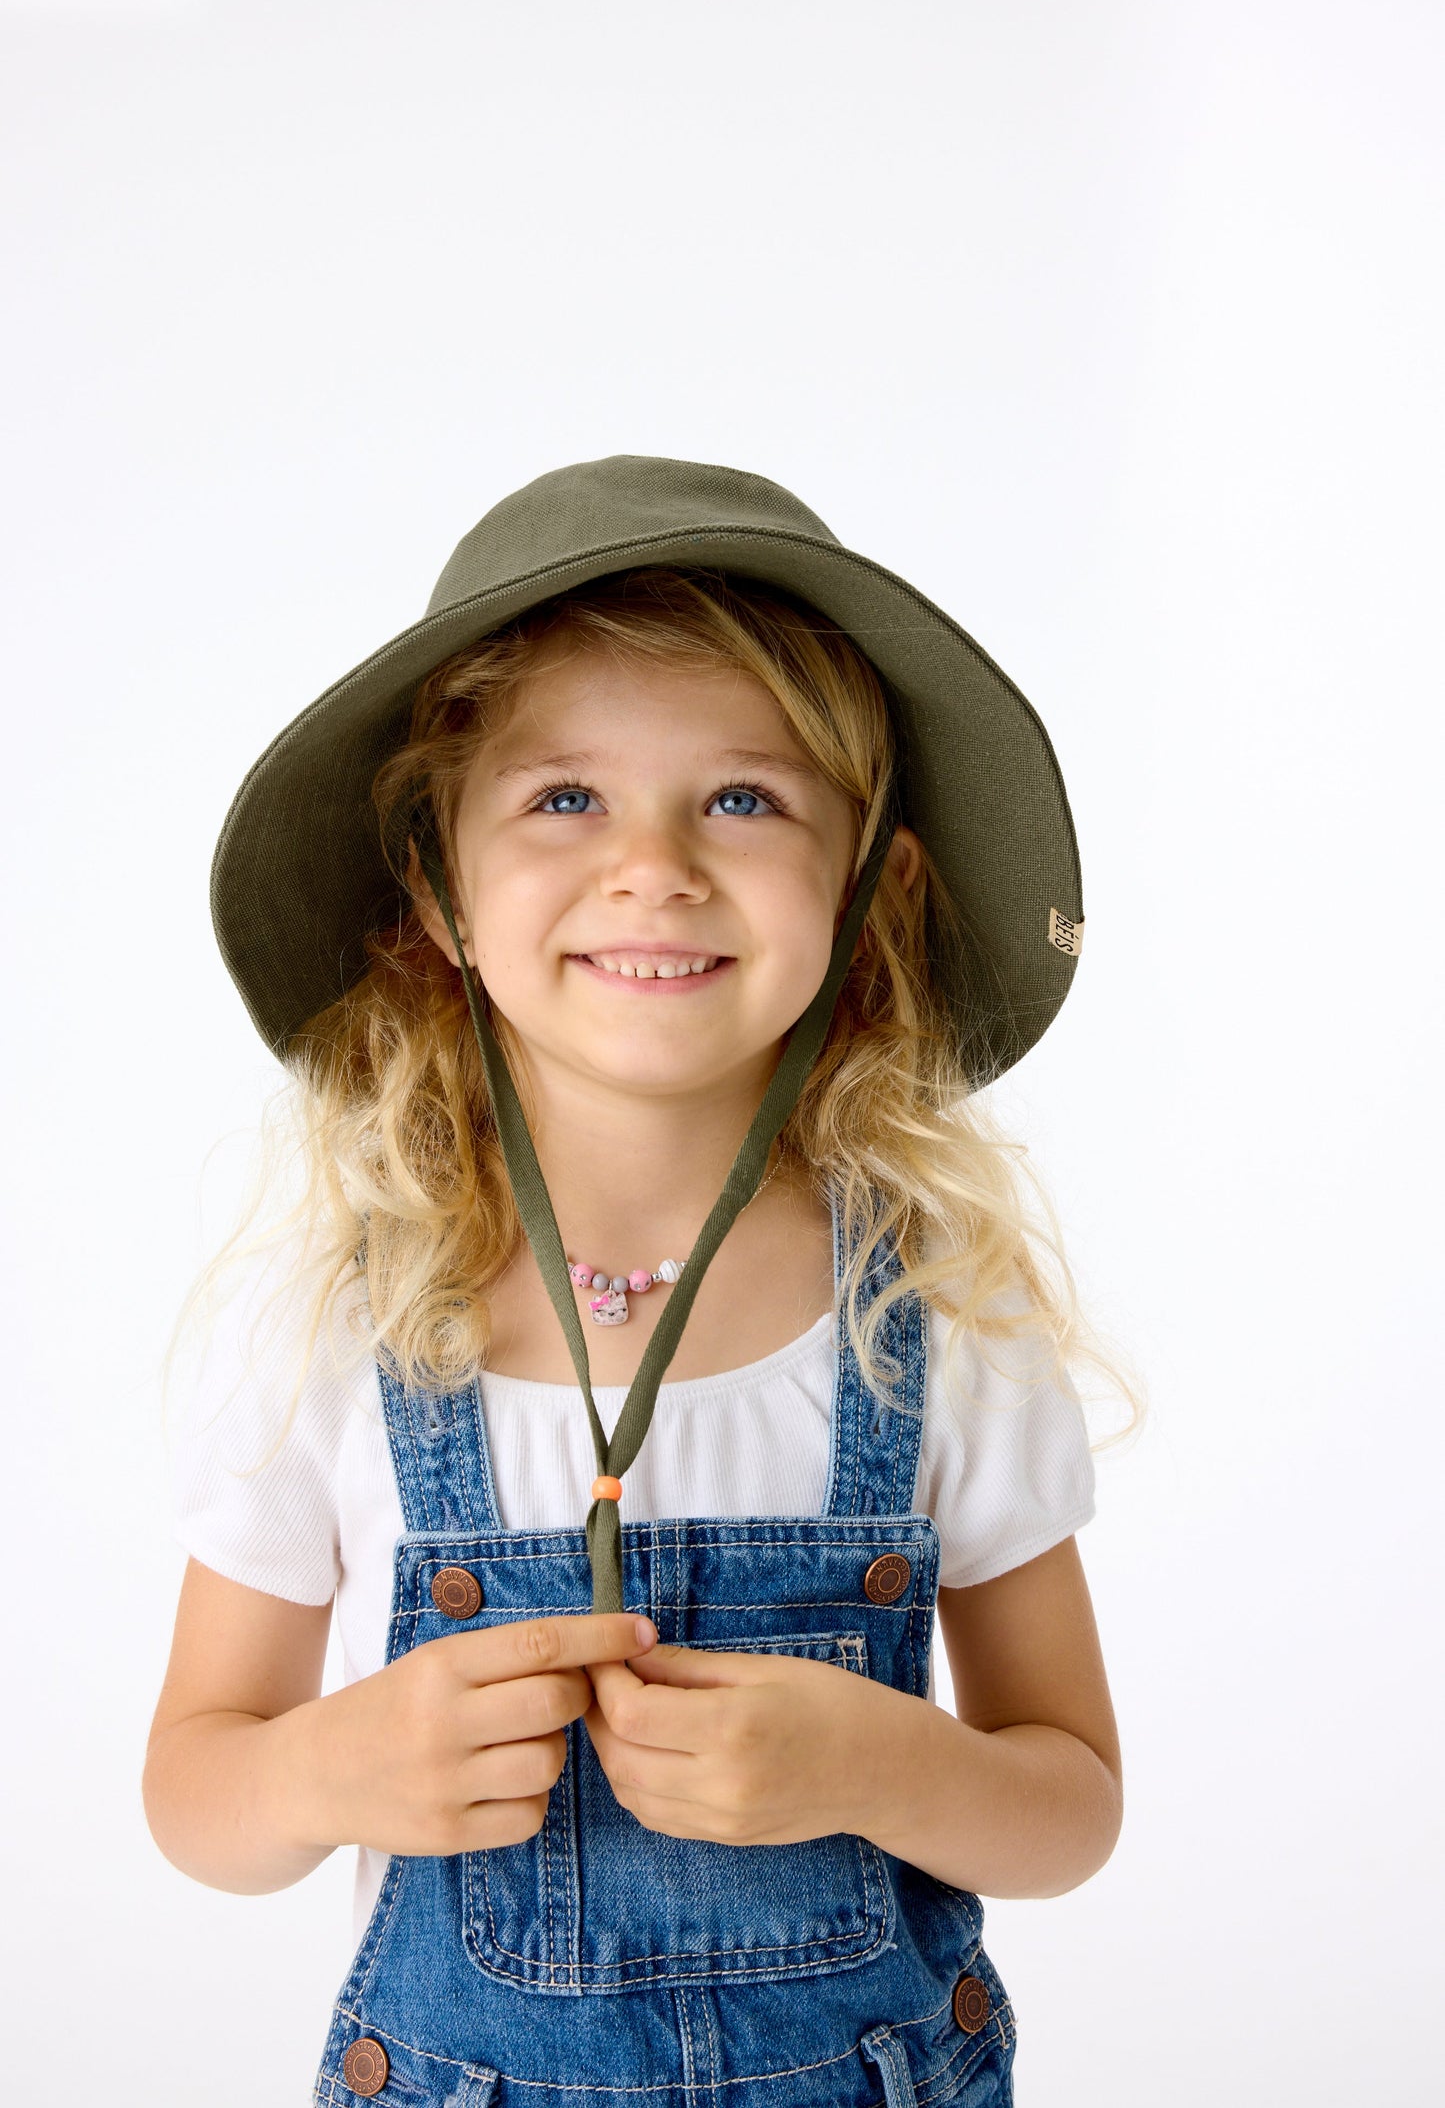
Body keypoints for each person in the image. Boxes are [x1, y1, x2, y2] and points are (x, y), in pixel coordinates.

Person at [144, 456, 1138, 2108]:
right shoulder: (340, 1317)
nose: (653, 867)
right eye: (562, 800)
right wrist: (332, 1763)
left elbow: (1072, 1804)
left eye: (743, 799)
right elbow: (196, 1785)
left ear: (869, 886)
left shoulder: (935, 1309)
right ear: (434, 895)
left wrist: (880, 1761)